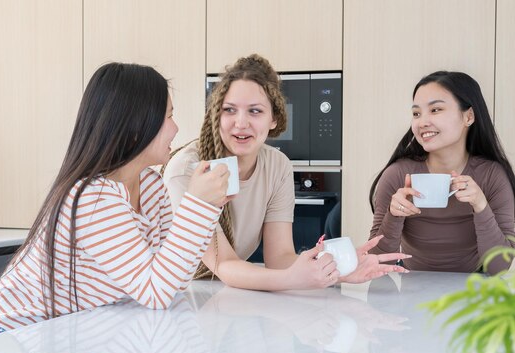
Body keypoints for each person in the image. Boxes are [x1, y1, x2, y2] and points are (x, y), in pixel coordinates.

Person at [0, 62, 231, 344]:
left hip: (59, 338)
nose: (176, 128)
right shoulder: (93, 197)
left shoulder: (151, 185)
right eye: (168, 116)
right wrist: (198, 205)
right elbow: (155, 292)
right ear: (136, 126)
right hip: (6, 336)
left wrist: (209, 207)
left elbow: (175, 281)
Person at [163, 54, 409, 291]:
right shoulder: (188, 170)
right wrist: (294, 280)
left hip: (229, 292)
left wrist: (338, 269)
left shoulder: (278, 165)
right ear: (216, 115)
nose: (241, 122)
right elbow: (224, 264)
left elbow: (280, 258)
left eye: (255, 111)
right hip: (180, 295)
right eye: (229, 110)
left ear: (274, 119)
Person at [368, 71, 515, 275]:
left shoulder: (492, 175)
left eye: (436, 109)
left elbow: (499, 268)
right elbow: (377, 265)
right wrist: (394, 215)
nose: (422, 122)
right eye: (416, 113)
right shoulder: (397, 175)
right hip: (412, 290)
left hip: (475, 291)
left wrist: (480, 205)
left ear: (468, 116)